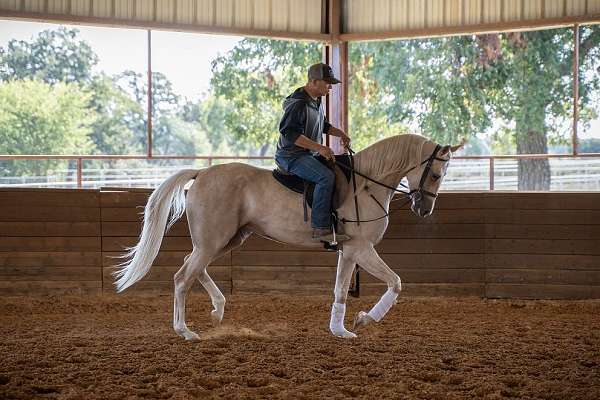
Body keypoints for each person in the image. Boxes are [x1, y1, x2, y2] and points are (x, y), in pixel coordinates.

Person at [275, 63, 351, 243]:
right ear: (314, 82)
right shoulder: (298, 104)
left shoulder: (315, 100)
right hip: (291, 155)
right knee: (325, 177)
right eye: (328, 83)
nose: (330, 87)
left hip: (308, 154)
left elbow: (322, 124)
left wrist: (341, 133)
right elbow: (289, 132)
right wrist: (320, 148)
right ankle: (320, 228)